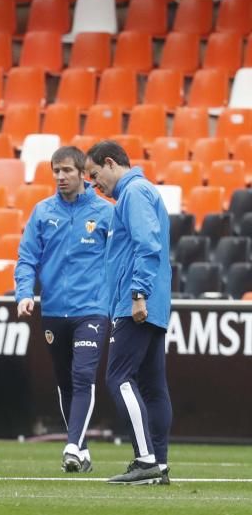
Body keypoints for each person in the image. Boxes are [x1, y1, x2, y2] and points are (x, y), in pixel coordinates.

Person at [14, 146, 114, 473]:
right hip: (54, 311)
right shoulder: (42, 212)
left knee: (82, 375)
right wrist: (24, 293)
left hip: (92, 309)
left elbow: (119, 259)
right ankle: (81, 449)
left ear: (83, 173)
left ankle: (71, 446)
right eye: (56, 171)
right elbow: (27, 259)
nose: (60, 177)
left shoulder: (106, 212)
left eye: (67, 170)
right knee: (65, 382)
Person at [85, 140, 172, 486]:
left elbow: (147, 245)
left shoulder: (133, 193)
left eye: (94, 175)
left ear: (110, 163)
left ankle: (145, 460)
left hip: (137, 302)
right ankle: (159, 466)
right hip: (156, 303)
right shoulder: (143, 192)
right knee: (153, 387)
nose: (94, 184)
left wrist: (138, 293)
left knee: (118, 378)